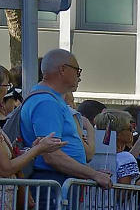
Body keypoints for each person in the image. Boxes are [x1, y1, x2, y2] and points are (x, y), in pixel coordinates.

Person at [16, 50, 109, 186]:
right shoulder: (46, 102)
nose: (80, 77)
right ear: (63, 69)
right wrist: (93, 174)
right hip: (53, 183)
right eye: (78, 71)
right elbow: (52, 156)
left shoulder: (51, 99)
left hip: (58, 181)